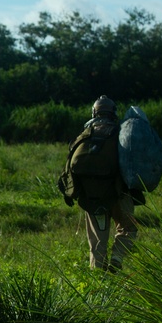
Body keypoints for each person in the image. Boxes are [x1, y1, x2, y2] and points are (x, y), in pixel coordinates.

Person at [62, 95, 143, 272]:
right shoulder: (121, 133)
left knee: (97, 240)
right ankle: (117, 258)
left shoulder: (84, 135)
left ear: (94, 112)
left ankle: (98, 277)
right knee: (128, 228)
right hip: (118, 194)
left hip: (91, 198)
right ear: (113, 113)